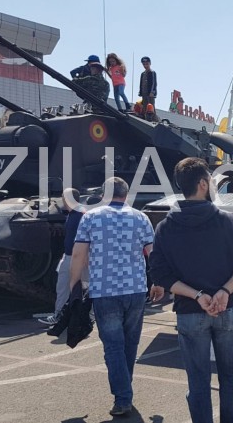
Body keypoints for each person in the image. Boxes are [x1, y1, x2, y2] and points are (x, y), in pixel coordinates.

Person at [150, 157, 233, 423]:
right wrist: (224, 291)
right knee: (232, 378)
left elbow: (160, 274)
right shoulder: (227, 220)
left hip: (189, 312)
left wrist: (198, 296)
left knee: (197, 381)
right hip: (227, 309)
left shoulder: (165, 227)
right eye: (210, 179)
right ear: (202, 184)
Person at [69, 177, 164, 417]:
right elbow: (153, 254)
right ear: (126, 193)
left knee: (113, 346)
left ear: (104, 194)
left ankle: (123, 397)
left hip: (105, 290)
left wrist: (74, 286)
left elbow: (79, 254)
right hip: (136, 289)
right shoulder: (141, 218)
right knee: (129, 344)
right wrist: (159, 282)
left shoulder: (90, 217)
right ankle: (125, 391)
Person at [39, 188, 85, 326]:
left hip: (78, 257)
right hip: (69, 255)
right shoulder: (72, 214)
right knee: (63, 286)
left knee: (83, 288)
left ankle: (87, 316)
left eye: (64, 198)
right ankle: (59, 314)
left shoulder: (80, 215)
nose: (62, 201)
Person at [139, 57, 157, 121]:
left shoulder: (152, 72)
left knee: (151, 107)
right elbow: (141, 83)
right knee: (145, 107)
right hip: (144, 93)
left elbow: (154, 83)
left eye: (147, 64)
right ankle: (147, 119)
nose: (145, 65)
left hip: (150, 93)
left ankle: (154, 120)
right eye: (144, 64)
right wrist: (140, 92)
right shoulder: (142, 74)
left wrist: (152, 92)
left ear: (150, 63)